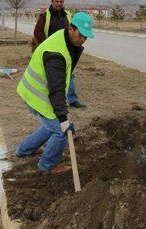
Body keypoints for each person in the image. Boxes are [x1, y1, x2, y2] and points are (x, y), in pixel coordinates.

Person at [15, 12, 95, 173]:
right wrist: (63, 117)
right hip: (38, 95)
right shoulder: (55, 53)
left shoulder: (64, 37)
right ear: (71, 28)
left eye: (86, 37)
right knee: (62, 130)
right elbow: (56, 88)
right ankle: (48, 164)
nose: (83, 40)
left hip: (33, 92)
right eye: (81, 35)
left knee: (50, 126)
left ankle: (24, 150)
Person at [33, 0, 86, 108]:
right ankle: (52, 101)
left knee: (70, 74)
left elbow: (73, 30)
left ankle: (72, 100)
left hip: (66, 51)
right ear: (52, 2)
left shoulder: (68, 15)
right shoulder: (45, 16)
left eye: (61, 1)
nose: (59, 4)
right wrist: (45, 46)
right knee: (53, 78)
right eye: (56, 1)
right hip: (51, 52)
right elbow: (37, 32)